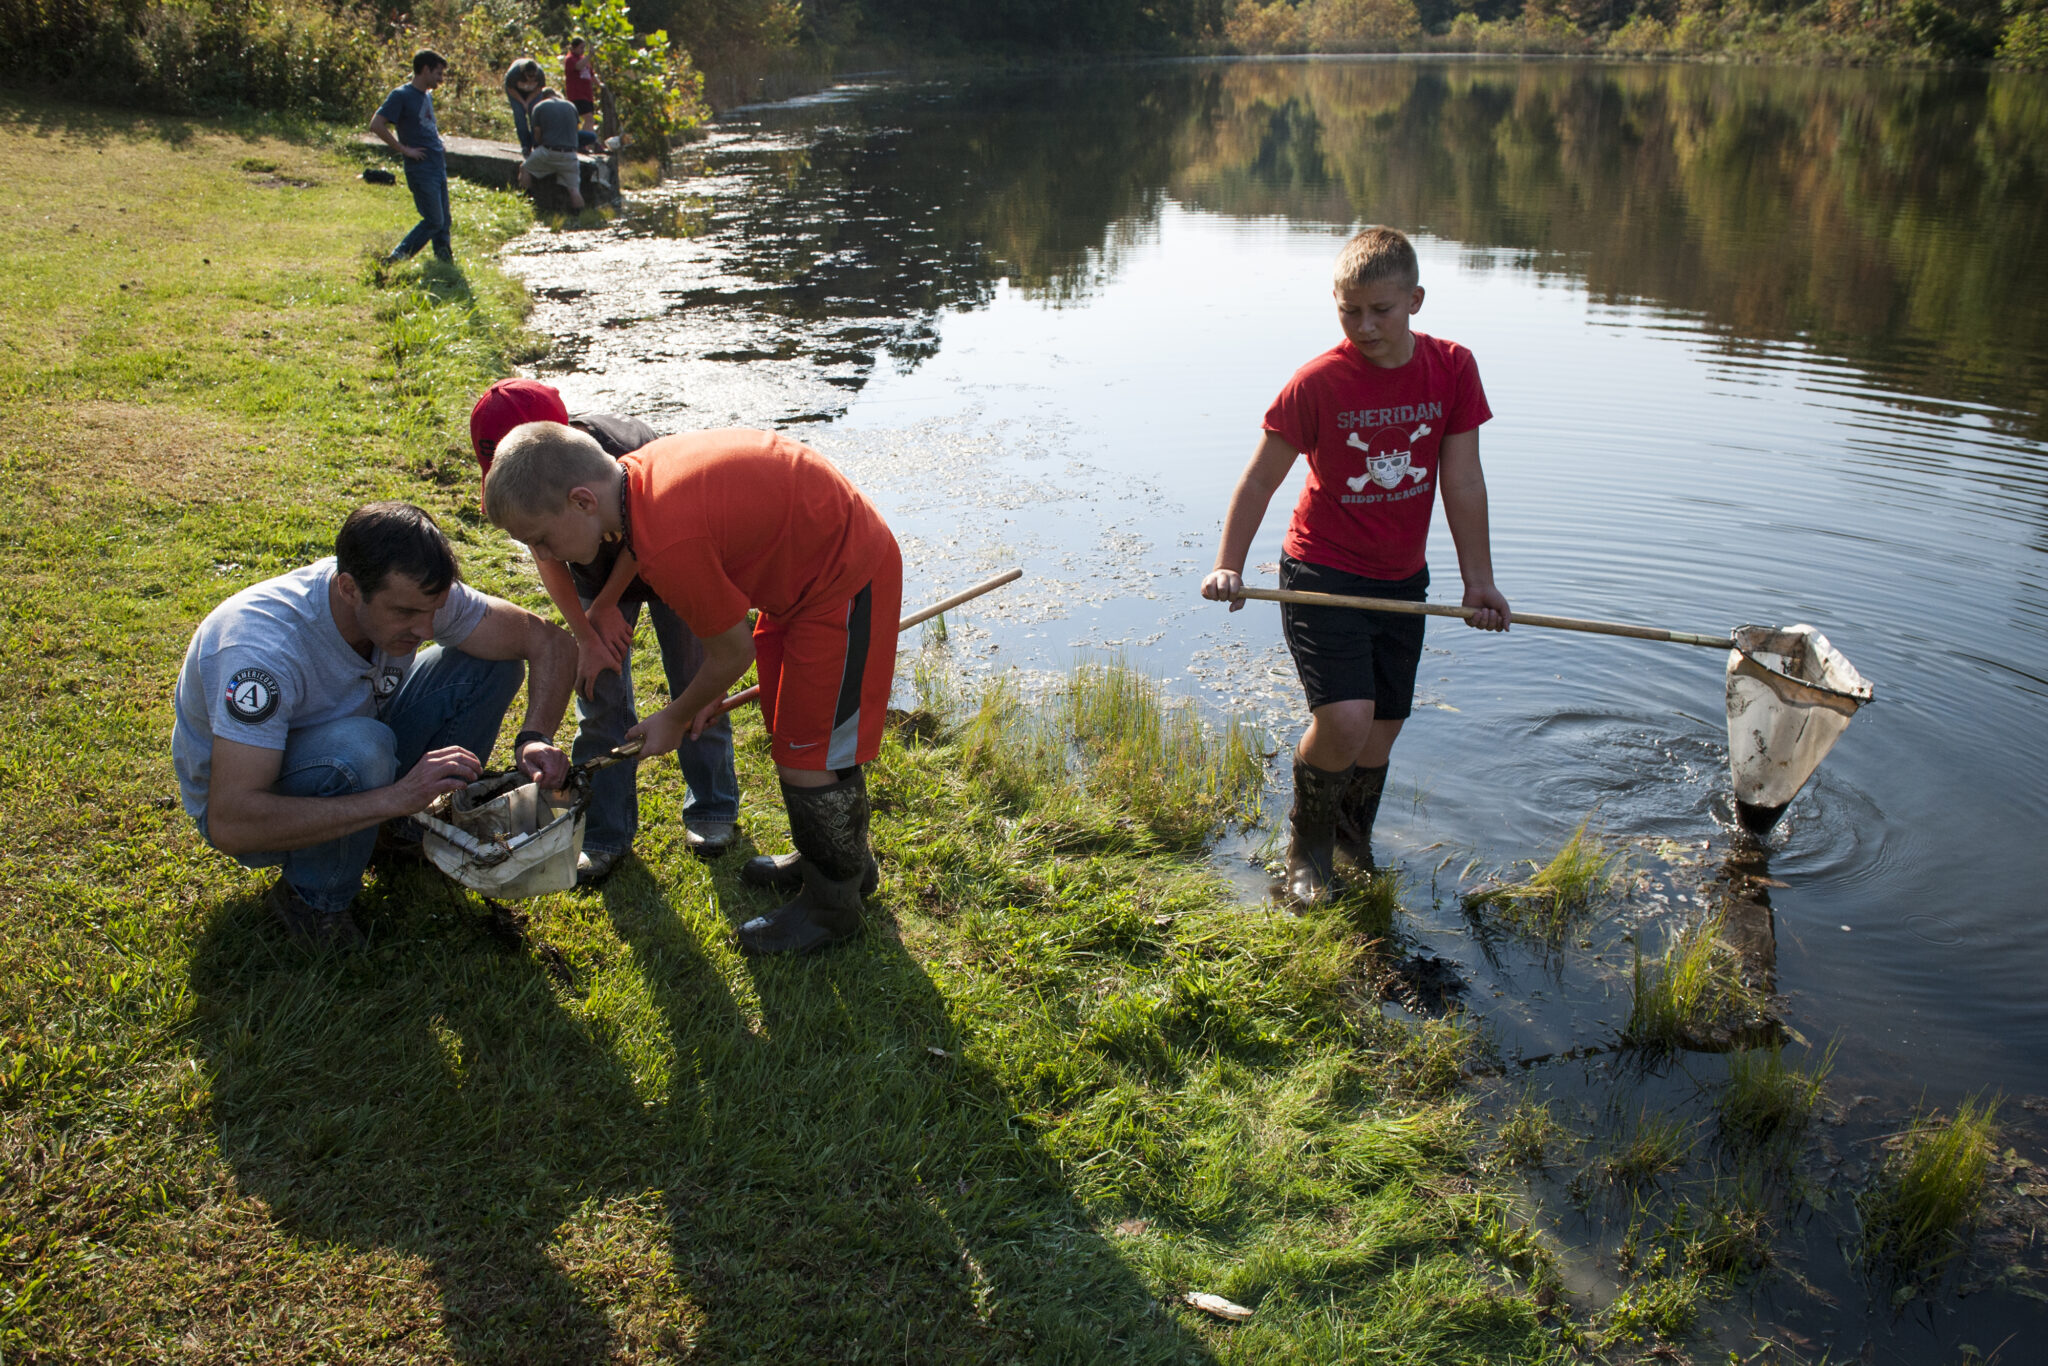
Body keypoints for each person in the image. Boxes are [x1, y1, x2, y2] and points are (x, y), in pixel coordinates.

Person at [483, 423, 902, 956]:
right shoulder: (633, 479)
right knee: (791, 727)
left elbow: (731, 651)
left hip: (842, 581)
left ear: (582, 501)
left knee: (810, 750)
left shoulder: (668, 539)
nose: (544, 553)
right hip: (797, 586)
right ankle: (836, 860)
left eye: (541, 538)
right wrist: (695, 702)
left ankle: (833, 905)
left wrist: (677, 716)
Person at [1201, 226, 1511, 904]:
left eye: (1381, 310)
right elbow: (1259, 481)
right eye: (1350, 311)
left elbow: (1462, 480)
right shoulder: (1317, 383)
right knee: (1344, 720)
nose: (1365, 326)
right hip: (1323, 572)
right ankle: (1306, 853)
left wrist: (1479, 581)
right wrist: (1228, 564)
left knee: (1381, 730)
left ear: (1415, 300)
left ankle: (1351, 839)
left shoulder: (1452, 367)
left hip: (1401, 578)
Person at [173, 503, 577, 947]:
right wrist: (395, 797)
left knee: (489, 666)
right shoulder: (261, 650)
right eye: (405, 613)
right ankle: (313, 899)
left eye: (433, 610)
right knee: (364, 748)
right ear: (348, 588)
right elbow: (232, 821)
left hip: (357, 748)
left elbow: (550, 642)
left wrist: (535, 737)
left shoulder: (412, 596)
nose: (425, 628)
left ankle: (398, 835)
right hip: (259, 809)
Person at [468, 380, 741, 883]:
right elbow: (545, 553)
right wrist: (587, 632)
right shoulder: (536, 505)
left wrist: (612, 601)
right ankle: (605, 831)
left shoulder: (613, 456)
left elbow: (647, 538)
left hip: (674, 560)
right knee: (599, 692)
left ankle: (713, 806)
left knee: (694, 681)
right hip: (593, 564)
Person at [369, 50, 453, 263]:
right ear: (425, 69)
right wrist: (404, 150)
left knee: (444, 221)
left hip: (437, 165)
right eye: (438, 73)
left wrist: (438, 142)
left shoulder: (426, 95)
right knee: (434, 220)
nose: (441, 79)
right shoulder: (401, 95)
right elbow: (376, 125)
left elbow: (426, 125)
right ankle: (397, 258)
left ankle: (444, 263)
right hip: (421, 169)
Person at [519, 87, 585, 213]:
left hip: (548, 151)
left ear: (543, 97)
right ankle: (580, 217)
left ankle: (526, 199)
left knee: (525, 168)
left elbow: (537, 134)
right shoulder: (571, 106)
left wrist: (538, 146)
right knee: (574, 190)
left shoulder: (539, 107)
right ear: (556, 95)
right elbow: (576, 130)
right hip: (570, 155)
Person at [503, 58, 546, 158]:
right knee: (519, 116)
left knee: (535, 115)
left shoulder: (540, 73)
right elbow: (510, 89)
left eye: (533, 76)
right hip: (516, 93)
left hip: (533, 93)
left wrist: (528, 102)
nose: (531, 78)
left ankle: (536, 143)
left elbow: (539, 89)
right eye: (529, 76)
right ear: (524, 73)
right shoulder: (514, 73)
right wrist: (523, 103)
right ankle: (525, 145)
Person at [563, 37, 601, 137]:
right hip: (577, 94)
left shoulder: (583, 59)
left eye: (584, 48)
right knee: (589, 119)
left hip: (587, 94)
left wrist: (600, 84)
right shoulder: (570, 59)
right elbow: (578, 67)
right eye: (581, 48)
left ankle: (586, 143)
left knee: (589, 119)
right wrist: (589, 55)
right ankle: (582, 142)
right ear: (574, 48)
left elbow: (591, 75)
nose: (583, 50)